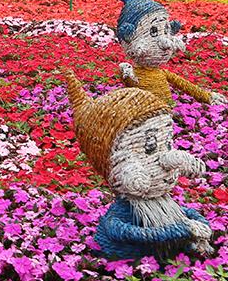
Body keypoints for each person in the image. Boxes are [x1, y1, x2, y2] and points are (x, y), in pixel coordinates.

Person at [63, 69, 213, 260]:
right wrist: (182, 229)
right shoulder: (122, 211)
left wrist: (200, 223)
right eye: (149, 147)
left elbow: (184, 213)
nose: (166, 160)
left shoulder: (163, 204)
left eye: (167, 142)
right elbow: (124, 231)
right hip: (125, 263)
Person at [99, 0, 227, 107]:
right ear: (129, 36)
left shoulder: (162, 73)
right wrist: (126, 74)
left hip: (166, 109)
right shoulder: (131, 71)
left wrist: (207, 96)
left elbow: (184, 84)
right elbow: (131, 84)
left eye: (166, 30)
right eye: (153, 32)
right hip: (145, 112)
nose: (165, 43)